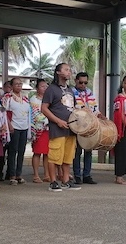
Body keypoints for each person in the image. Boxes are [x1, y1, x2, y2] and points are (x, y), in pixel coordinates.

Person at [41, 63, 81, 192]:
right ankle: (53, 181)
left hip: (71, 128)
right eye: (66, 69)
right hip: (58, 128)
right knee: (55, 155)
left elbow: (72, 107)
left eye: (69, 70)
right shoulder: (51, 89)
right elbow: (44, 108)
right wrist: (57, 121)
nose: (69, 72)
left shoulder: (70, 90)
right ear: (58, 72)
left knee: (68, 156)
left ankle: (65, 181)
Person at [72, 72, 102, 185]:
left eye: (85, 82)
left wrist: (100, 116)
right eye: (81, 82)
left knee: (88, 150)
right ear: (76, 81)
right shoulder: (71, 92)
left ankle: (87, 175)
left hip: (90, 125)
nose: (83, 85)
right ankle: (77, 176)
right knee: (77, 151)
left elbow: (94, 108)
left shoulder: (89, 92)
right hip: (78, 125)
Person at [2, 78, 31, 185]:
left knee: (21, 151)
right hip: (14, 127)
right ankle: (12, 175)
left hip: (24, 127)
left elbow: (29, 114)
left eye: (20, 84)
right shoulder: (7, 97)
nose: (19, 86)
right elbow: (3, 112)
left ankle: (19, 174)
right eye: (16, 84)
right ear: (12, 86)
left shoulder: (25, 98)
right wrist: (8, 125)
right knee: (12, 151)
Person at [30, 79, 50, 183]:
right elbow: (35, 114)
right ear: (37, 88)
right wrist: (48, 119)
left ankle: (47, 174)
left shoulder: (49, 99)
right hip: (38, 129)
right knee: (37, 152)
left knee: (47, 153)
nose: (45, 88)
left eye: (46, 86)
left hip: (48, 129)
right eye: (42, 86)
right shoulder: (34, 99)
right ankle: (36, 175)